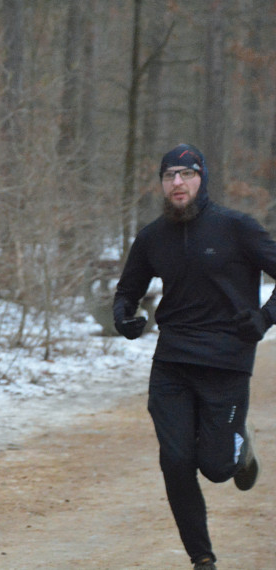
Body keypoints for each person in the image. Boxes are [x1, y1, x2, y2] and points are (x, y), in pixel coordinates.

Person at [113, 143, 269, 570]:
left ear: (202, 179)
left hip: (226, 362)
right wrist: (125, 317)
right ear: (162, 183)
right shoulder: (152, 237)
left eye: (186, 173)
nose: (177, 183)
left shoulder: (237, 228)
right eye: (169, 176)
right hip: (172, 363)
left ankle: (239, 450)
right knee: (176, 460)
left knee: (216, 469)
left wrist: (265, 318)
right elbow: (127, 291)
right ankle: (201, 557)